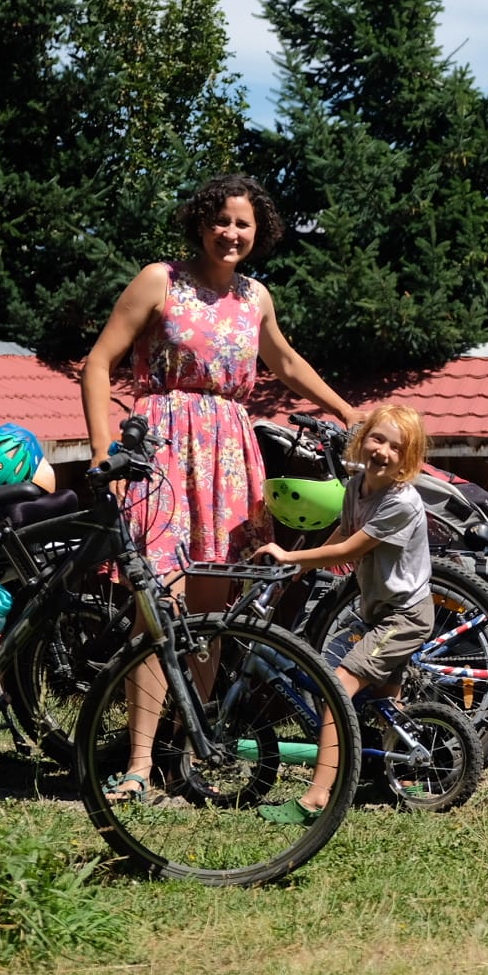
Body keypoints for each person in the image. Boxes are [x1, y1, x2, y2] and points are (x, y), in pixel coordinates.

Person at [80, 172, 356, 803]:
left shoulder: (256, 296)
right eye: (222, 220)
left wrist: (345, 410)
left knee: (210, 615)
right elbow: (99, 363)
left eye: (244, 224)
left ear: (259, 234)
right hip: (161, 453)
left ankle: (185, 756)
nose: (232, 233)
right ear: (201, 223)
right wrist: (103, 453)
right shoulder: (160, 280)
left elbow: (283, 361)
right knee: (161, 611)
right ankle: (138, 764)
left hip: (230, 458)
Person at [251, 405, 434, 822]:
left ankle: (317, 797)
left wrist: (295, 557)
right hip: (377, 610)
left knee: (336, 687)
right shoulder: (356, 487)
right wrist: (297, 566)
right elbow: (342, 533)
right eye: (377, 438)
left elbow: (351, 550)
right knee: (388, 697)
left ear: (409, 459)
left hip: (404, 615)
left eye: (396, 447)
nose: (383, 451)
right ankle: (403, 769)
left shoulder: (402, 501)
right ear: (362, 438)